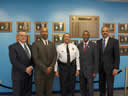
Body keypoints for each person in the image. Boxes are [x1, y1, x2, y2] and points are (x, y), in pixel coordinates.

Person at [32, 27, 57, 96]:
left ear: (48, 33)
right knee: (40, 92)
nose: (44, 33)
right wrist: (45, 68)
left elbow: (55, 57)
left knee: (49, 92)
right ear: (40, 33)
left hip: (50, 73)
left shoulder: (52, 44)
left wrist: (51, 67)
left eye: (46, 31)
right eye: (43, 31)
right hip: (40, 73)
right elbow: (35, 58)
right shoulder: (35, 44)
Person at [97, 26, 120, 96]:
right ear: (101, 32)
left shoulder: (114, 41)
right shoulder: (98, 42)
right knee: (101, 86)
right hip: (100, 68)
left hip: (110, 69)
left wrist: (116, 68)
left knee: (110, 87)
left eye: (106, 31)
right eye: (103, 31)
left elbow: (117, 56)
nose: (105, 32)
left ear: (108, 32)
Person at [8, 31, 33, 96]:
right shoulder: (12, 47)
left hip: (29, 75)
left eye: (25, 35)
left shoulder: (30, 46)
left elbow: (33, 59)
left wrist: (31, 67)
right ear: (17, 37)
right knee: (18, 93)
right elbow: (14, 61)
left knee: (28, 93)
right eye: (21, 35)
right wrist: (25, 69)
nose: (23, 37)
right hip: (18, 76)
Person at [78, 31, 98, 96]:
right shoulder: (79, 45)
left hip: (90, 71)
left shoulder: (94, 45)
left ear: (89, 36)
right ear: (82, 36)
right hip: (81, 71)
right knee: (82, 88)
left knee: (90, 88)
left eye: (87, 35)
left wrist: (95, 71)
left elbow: (96, 59)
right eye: (84, 35)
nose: (85, 36)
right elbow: (77, 58)